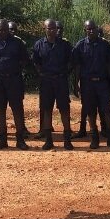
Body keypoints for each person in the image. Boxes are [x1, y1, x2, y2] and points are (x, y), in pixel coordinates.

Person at [72, 20, 110, 150]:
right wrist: (76, 84)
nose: (91, 31)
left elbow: (109, 65)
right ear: (85, 30)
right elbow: (77, 67)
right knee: (90, 112)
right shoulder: (80, 46)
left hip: (103, 83)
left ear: (97, 29)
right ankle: (94, 138)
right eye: (89, 29)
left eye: (93, 28)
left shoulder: (104, 45)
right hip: (87, 84)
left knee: (107, 111)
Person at [0, 19, 30, 150]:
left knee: (17, 109)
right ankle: (2, 140)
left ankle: (20, 140)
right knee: (1, 109)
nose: (4, 32)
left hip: (14, 80)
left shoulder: (17, 42)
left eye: (5, 29)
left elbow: (25, 59)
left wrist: (13, 69)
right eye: (1, 29)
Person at [33, 19, 74, 150]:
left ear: (57, 29)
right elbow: (36, 62)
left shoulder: (65, 45)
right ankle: (48, 140)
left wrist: (64, 73)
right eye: (48, 28)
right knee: (46, 110)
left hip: (60, 80)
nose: (51, 30)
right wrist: (42, 73)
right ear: (44, 29)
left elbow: (71, 61)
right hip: (46, 81)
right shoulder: (39, 44)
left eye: (53, 28)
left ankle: (67, 140)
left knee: (64, 109)